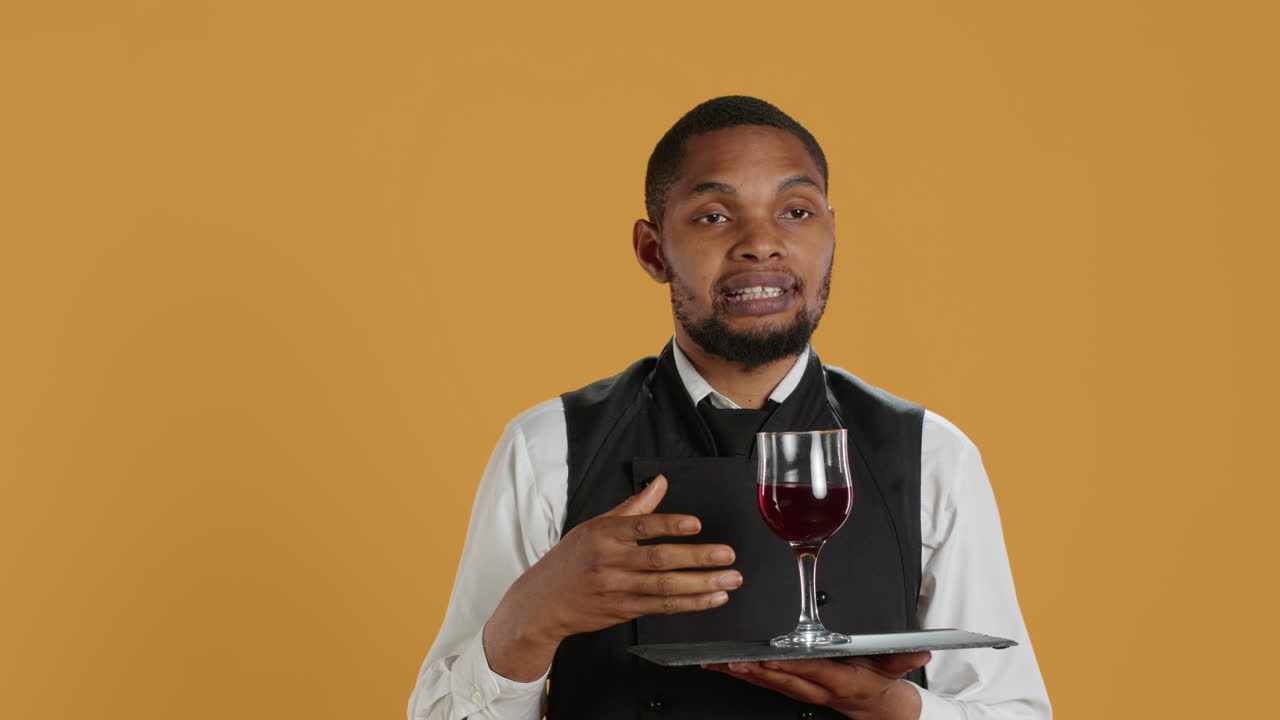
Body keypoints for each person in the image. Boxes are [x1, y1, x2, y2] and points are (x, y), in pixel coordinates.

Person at [408, 96, 1051, 719]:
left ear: (833, 234)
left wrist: (890, 706)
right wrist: (529, 621)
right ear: (652, 250)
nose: (760, 243)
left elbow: (1010, 711)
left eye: (796, 211)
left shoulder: (930, 455)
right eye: (715, 215)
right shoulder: (549, 447)